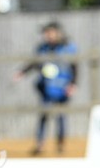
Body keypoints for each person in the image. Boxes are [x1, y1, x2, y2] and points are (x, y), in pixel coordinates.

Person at [14, 20, 77, 155]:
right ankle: (40, 144)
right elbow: (35, 63)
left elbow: (75, 67)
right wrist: (22, 72)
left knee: (61, 116)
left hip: (62, 88)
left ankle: (61, 145)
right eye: (46, 33)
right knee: (43, 115)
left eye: (50, 33)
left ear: (57, 33)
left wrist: (73, 84)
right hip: (46, 88)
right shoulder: (42, 48)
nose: (47, 36)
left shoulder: (68, 48)